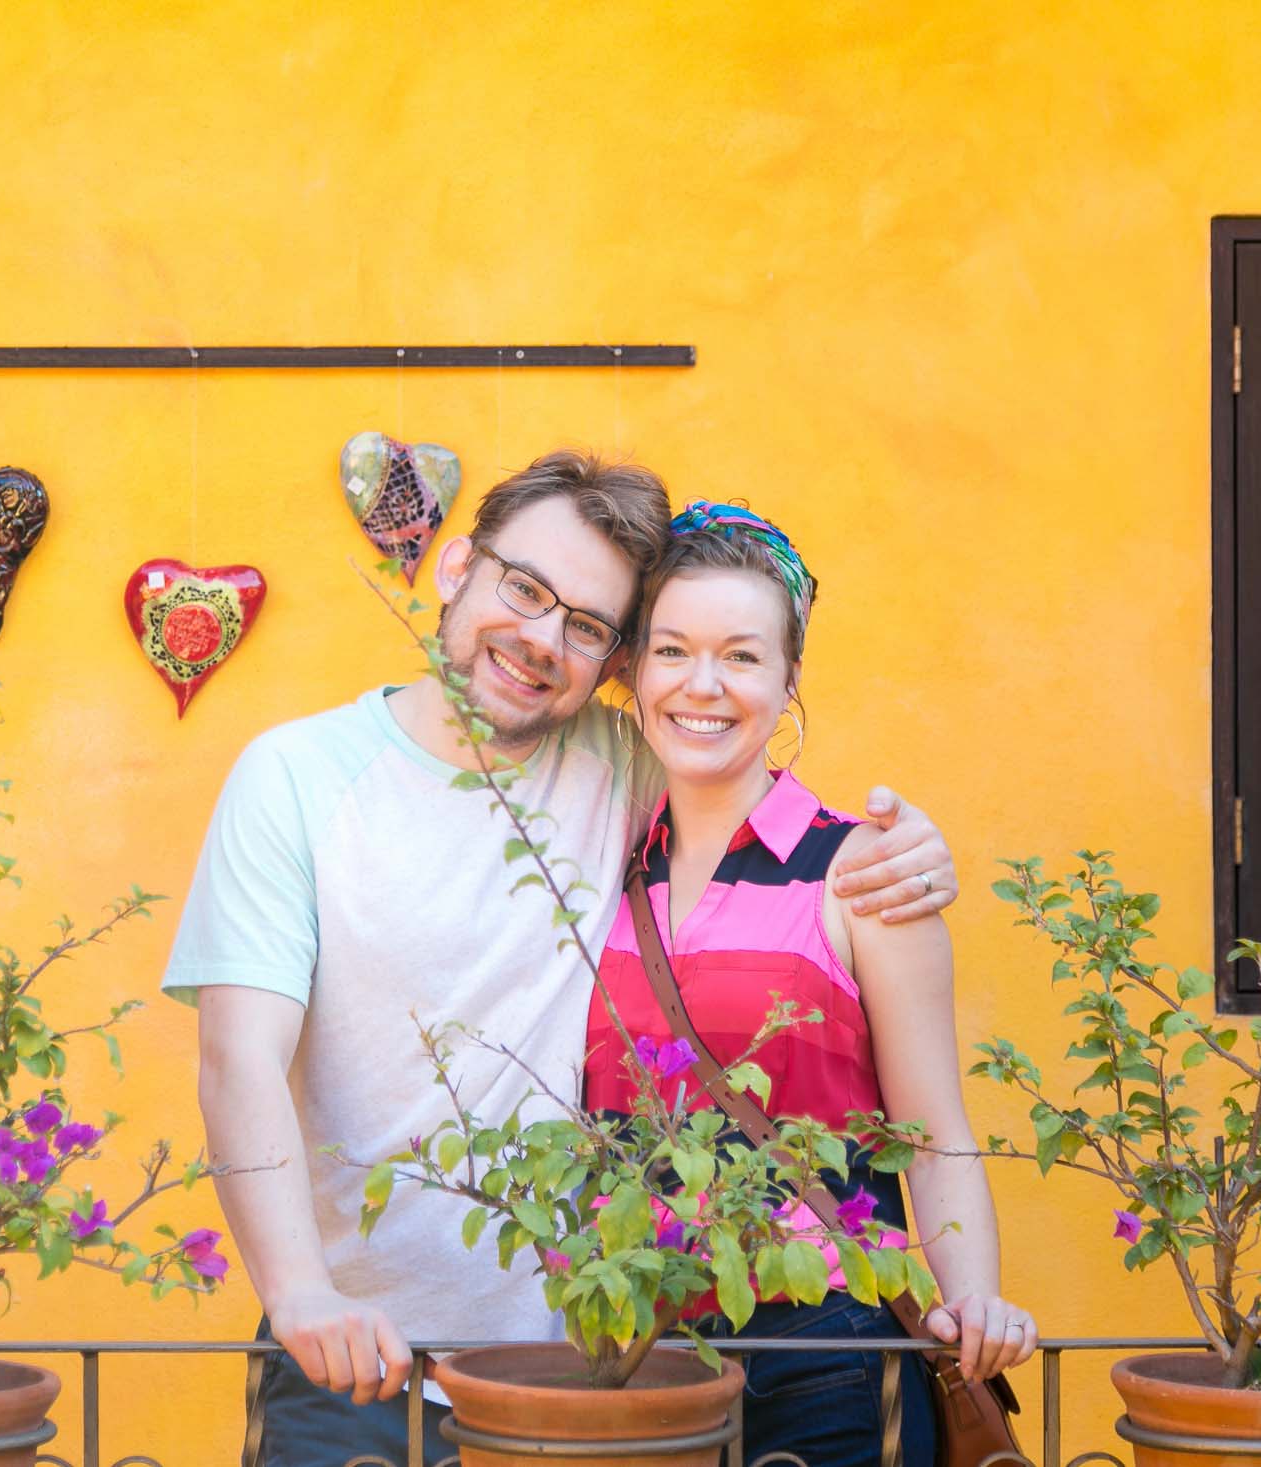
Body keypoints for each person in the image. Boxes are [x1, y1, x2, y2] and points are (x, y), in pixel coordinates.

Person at [162, 453, 960, 1466]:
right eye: (525, 589)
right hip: (352, 1355)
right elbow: (237, 1058)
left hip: (590, 1371)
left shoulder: (625, 766)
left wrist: (906, 850)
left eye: (587, 626)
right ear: (456, 566)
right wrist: (299, 1293)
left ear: (614, 661)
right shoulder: (297, 776)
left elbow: (762, 808)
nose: (541, 639)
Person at [583, 500, 1035, 1466]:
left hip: (825, 1349)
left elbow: (929, 1131)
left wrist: (974, 1294)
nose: (703, 684)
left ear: (789, 679)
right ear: (631, 671)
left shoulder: (864, 871)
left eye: (742, 656)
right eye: (672, 650)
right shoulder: (593, 866)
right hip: (630, 1357)